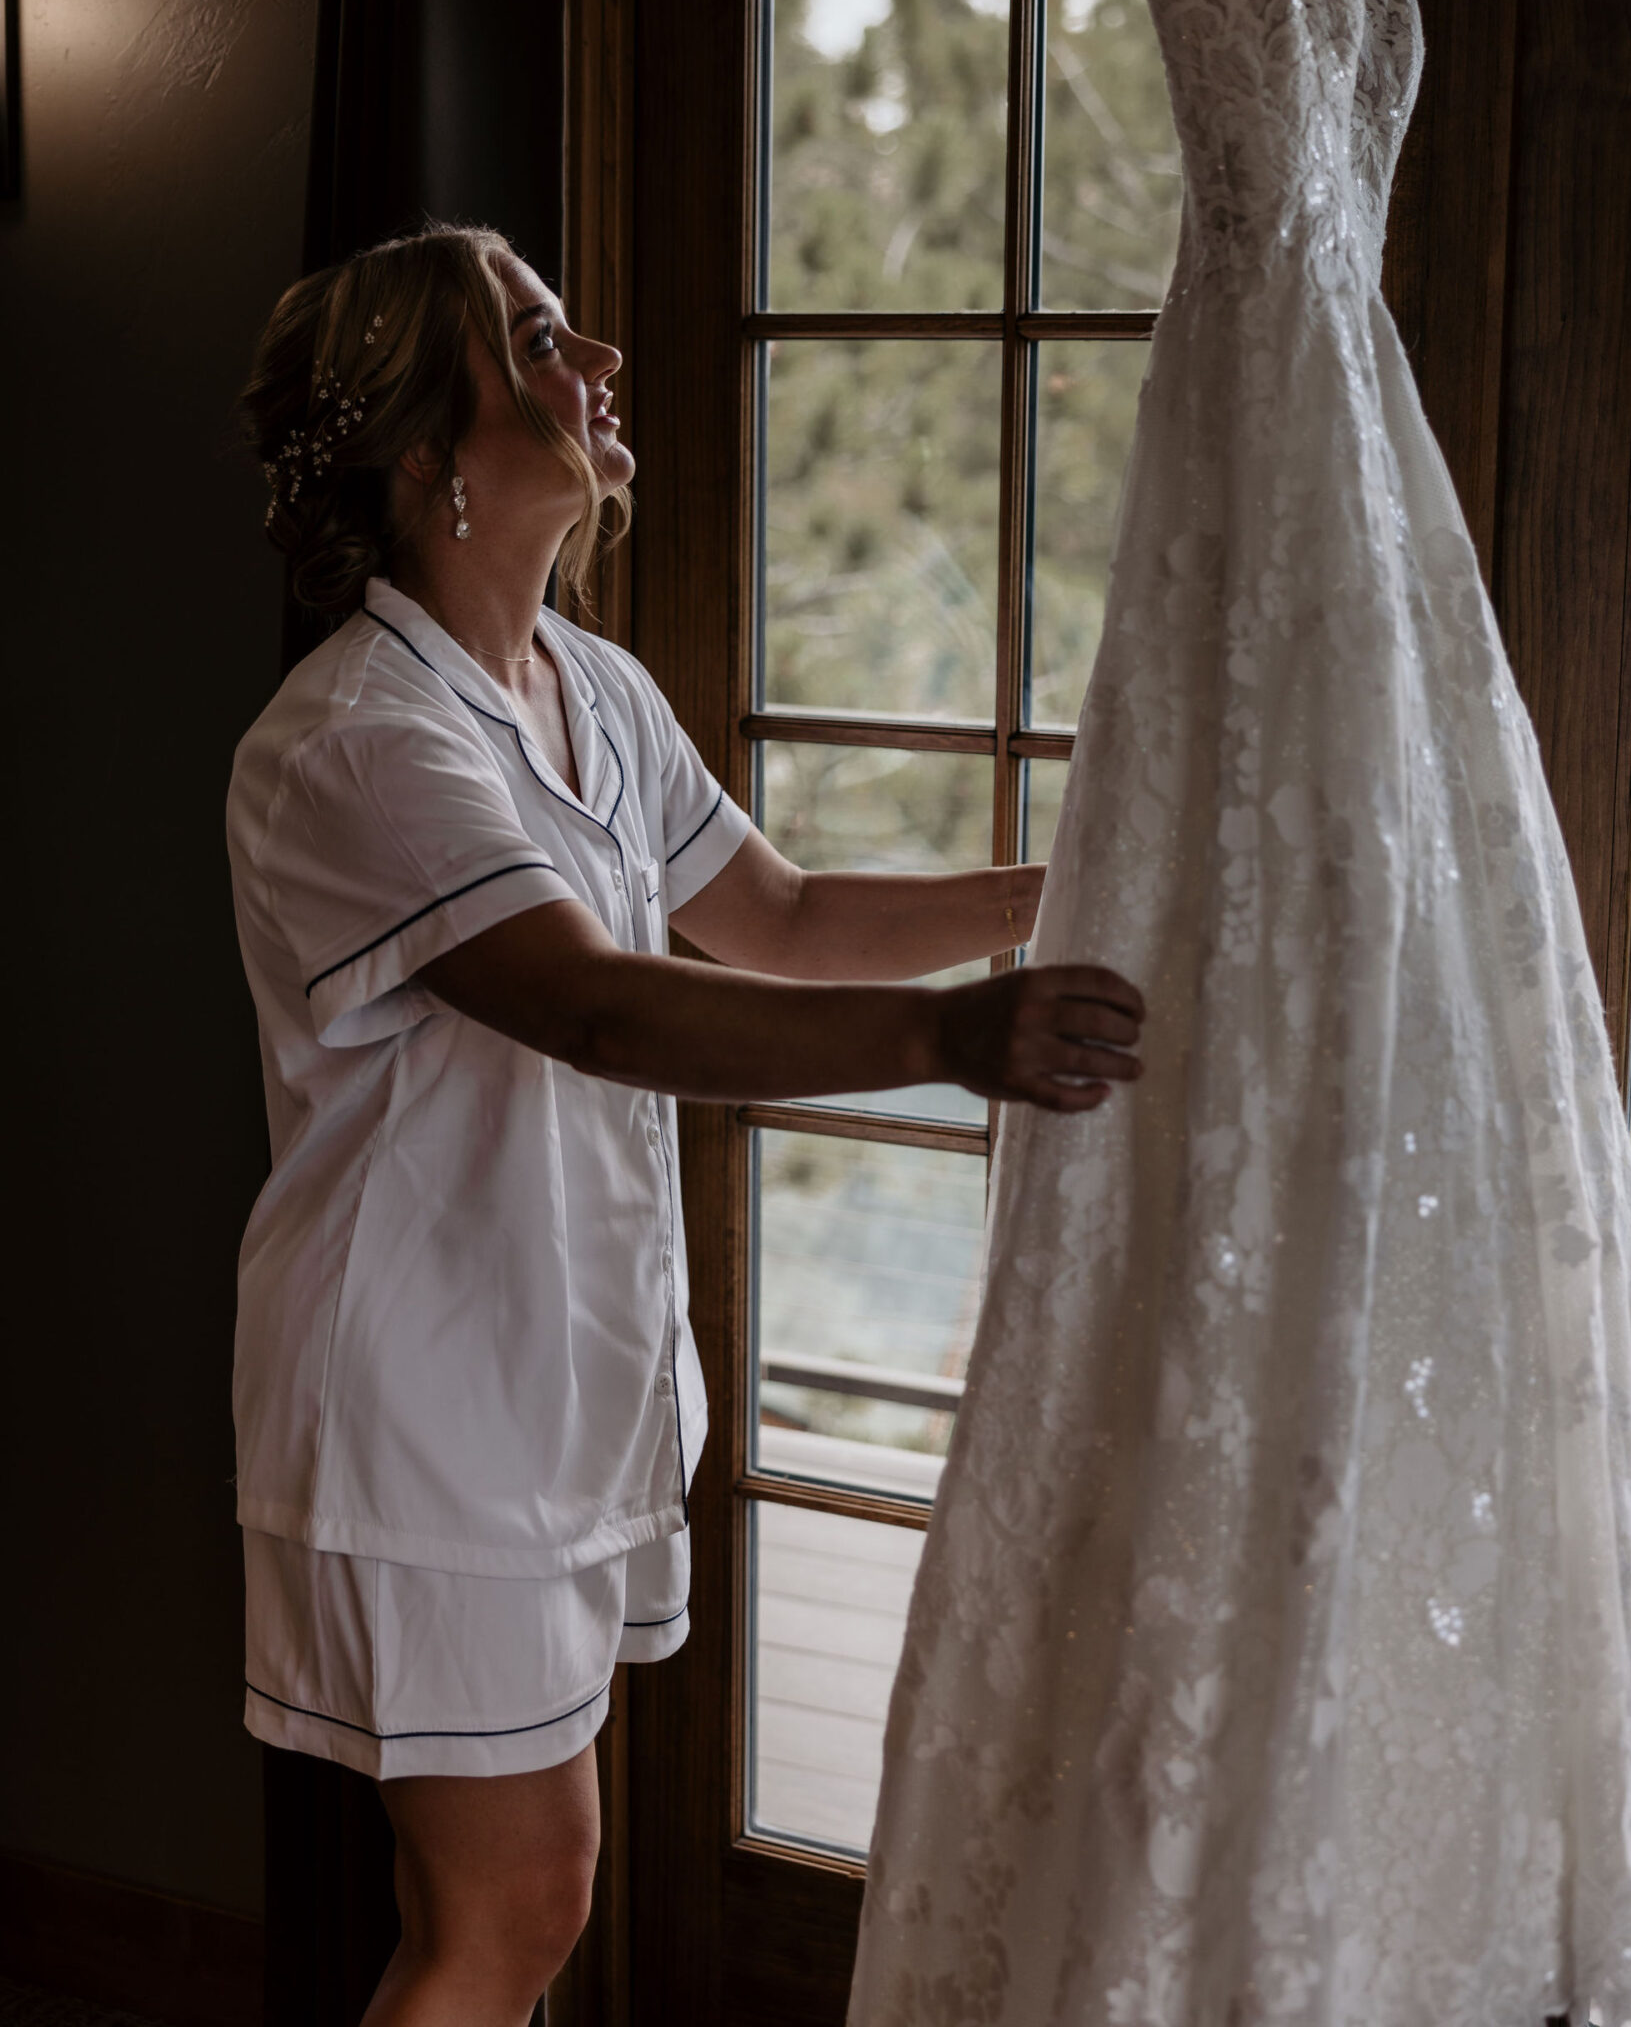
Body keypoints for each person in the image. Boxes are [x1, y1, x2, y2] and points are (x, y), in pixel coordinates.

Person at [226, 222, 1143, 2027]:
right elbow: (596, 1000)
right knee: (506, 1923)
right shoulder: (353, 742)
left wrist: (1098, 876)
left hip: (560, 1377)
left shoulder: (596, 691)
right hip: (425, 1411)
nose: (604, 362)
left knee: (526, 1904)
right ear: (429, 451)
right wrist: (952, 1037)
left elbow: (783, 918)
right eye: (543, 341)